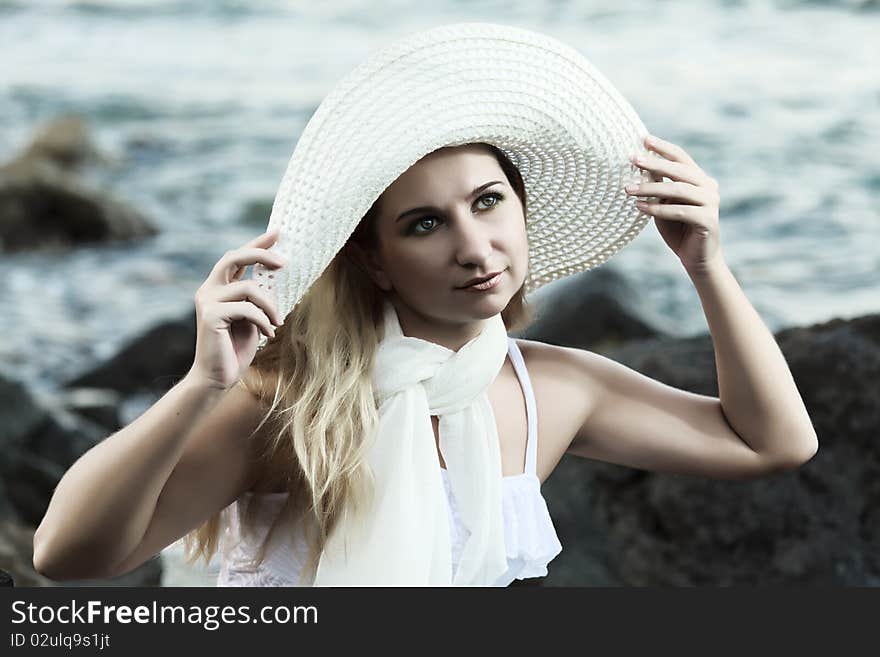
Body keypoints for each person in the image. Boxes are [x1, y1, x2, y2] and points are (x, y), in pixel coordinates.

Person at [32, 23, 818, 587]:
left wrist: (706, 267)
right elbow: (67, 556)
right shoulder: (295, 406)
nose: (474, 247)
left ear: (522, 210)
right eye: (425, 224)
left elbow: (772, 442)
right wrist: (202, 386)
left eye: (488, 201)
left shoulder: (550, 389)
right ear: (373, 258)